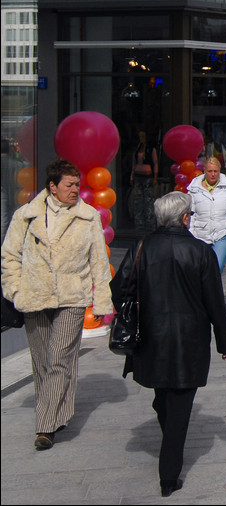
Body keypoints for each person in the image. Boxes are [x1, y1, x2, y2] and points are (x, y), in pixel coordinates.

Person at [111, 192, 226, 497]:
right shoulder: (200, 252)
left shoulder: (141, 248)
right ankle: (168, 477)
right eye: (190, 214)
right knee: (179, 405)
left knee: (164, 395)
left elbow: (118, 289)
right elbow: (214, 302)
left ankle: (169, 440)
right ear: (183, 218)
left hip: (150, 337)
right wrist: (224, 339)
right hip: (189, 339)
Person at [1, 159, 113, 451]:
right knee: (42, 362)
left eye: (78, 184)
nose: (76, 189)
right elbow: (9, 256)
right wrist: (14, 289)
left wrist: (102, 300)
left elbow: (99, 263)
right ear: (52, 187)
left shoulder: (88, 217)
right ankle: (59, 413)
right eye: (70, 185)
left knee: (59, 358)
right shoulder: (25, 216)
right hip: (34, 295)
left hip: (72, 297)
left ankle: (45, 426)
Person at [185, 157, 226, 271]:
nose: (213, 174)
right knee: (199, 269)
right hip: (199, 235)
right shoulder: (194, 188)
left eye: (216, 171)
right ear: (204, 171)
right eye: (210, 171)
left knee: (216, 268)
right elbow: (190, 213)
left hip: (223, 234)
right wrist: (191, 232)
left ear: (220, 171)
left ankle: (213, 288)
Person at [128, 130, 159, 233]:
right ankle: (139, 224)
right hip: (138, 175)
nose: (141, 138)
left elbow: (155, 163)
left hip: (147, 176)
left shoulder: (151, 149)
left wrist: (155, 176)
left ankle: (150, 225)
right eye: (139, 136)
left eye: (142, 136)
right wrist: (132, 176)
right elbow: (133, 163)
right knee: (138, 200)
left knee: (148, 200)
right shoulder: (137, 149)